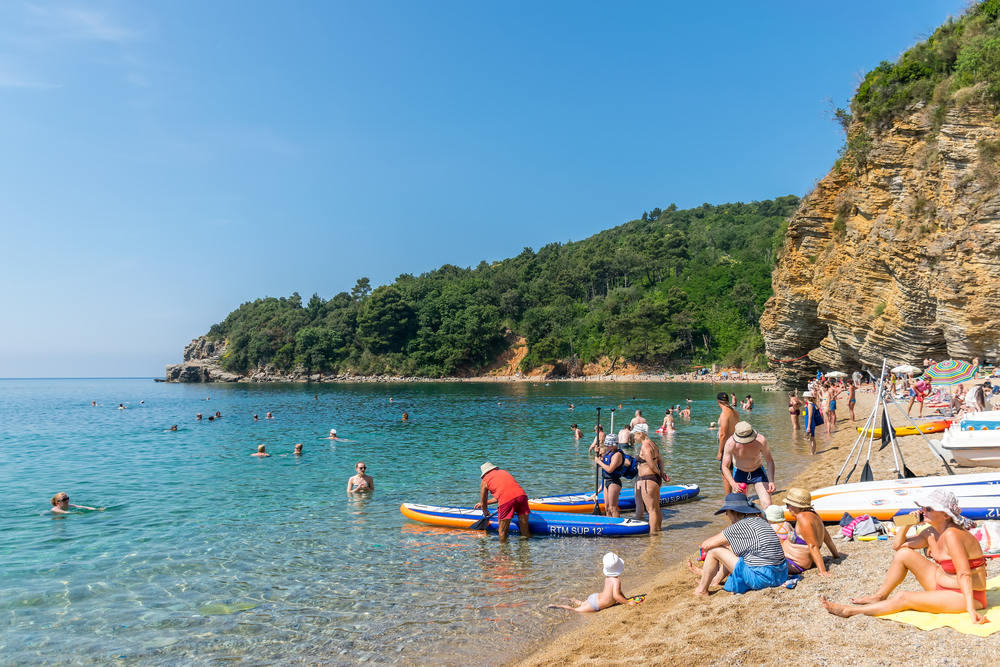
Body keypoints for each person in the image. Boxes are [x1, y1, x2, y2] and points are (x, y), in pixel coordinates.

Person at [821, 489, 989, 624]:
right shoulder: (930, 532)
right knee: (904, 554)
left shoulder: (953, 534)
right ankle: (879, 596)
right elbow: (897, 546)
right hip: (939, 583)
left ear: (946, 515)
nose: (924, 511)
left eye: (929, 508)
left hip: (967, 595)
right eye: (923, 507)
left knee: (903, 597)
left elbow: (964, 574)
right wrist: (907, 523)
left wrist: (971, 610)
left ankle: (849, 611)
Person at [687, 493, 787, 595]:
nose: (726, 515)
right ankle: (716, 580)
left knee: (714, 550)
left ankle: (702, 590)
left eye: (726, 511)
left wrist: (719, 549)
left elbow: (706, 545)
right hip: (780, 574)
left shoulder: (741, 525)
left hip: (762, 578)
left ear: (732, 511)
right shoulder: (760, 520)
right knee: (733, 550)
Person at [779, 489, 841, 575]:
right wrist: (836, 555)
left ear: (797, 506)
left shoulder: (802, 518)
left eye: (788, 505)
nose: (787, 508)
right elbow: (828, 540)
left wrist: (822, 571)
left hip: (793, 562)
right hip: (789, 558)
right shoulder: (814, 514)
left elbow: (813, 546)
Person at [547, 552, 636, 613]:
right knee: (576, 610)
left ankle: (567, 599)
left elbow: (618, 593)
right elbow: (616, 596)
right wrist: (628, 603)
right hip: (595, 604)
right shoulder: (617, 581)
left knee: (581, 603)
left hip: (595, 597)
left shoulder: (608, 578)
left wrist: (626, 600)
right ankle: (556, 606)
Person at [720, 422, 777, 509]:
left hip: (757, 472)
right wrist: (733, 483)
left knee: (767, 503)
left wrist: (772, 481)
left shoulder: (761, 440)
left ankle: (768, 521)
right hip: (739, 473)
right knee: (740, 506)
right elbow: (724, 466)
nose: (745, 443)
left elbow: (769, 461)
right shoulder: (730, 443)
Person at [475, 462, 531, 541]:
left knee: (502, 535)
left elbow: (484, 502)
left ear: (484, 474)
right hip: (522, 496)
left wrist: (485, 513)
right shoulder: (504, 472)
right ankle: (526, 550)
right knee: (525, 533)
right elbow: (505, 494)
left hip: (507, 501)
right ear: (495, 469)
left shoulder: (484, 481)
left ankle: (503, 552)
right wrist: (486, 502)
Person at [633, 428, 667, 532]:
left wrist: (660, 473)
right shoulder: (653, 444)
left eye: (635, 435)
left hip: (648, 480)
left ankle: (653, 534)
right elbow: (660, 460)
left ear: (640, 434)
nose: (634, 437)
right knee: (656, 508)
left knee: (651, 510)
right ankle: (658, 530)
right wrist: (661, 473)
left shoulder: (645, 446)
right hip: (654, 479)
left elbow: (652, 465)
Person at [594, 434, 624, 518]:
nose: (607, 445)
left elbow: (610, 469)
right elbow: (603, 465)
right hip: (606, 481)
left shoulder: (617, 454)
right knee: (607, 507)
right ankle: (609, 523)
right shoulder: (608, 452)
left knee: (612, 507)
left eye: (608, 444)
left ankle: (617, 525)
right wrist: (597, 454)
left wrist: (599, 462)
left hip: (613, 482)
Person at [716, 393, 739, 494]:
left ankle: (728, 498)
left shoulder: (724, 414)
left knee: (725, 473)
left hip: (727, 446)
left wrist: (720, 451)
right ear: (728, 401)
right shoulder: (735, 412)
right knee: (733, 471)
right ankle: (735, 495)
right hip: (737, 444)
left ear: (718, 401)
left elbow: (723, 435)